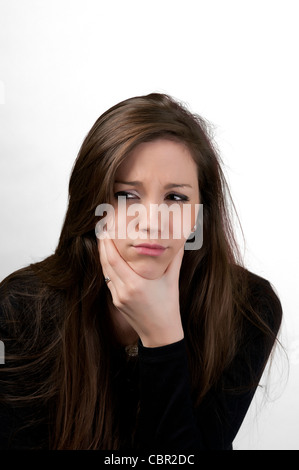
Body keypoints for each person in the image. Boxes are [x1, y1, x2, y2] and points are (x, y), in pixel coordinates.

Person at [0, 93, 282, 450]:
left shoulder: (248, 308)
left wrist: (162, 337)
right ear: (93, 207)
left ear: (199, 216)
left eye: (176, 198)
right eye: (126, 195)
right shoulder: (21, 309)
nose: (151, 223)